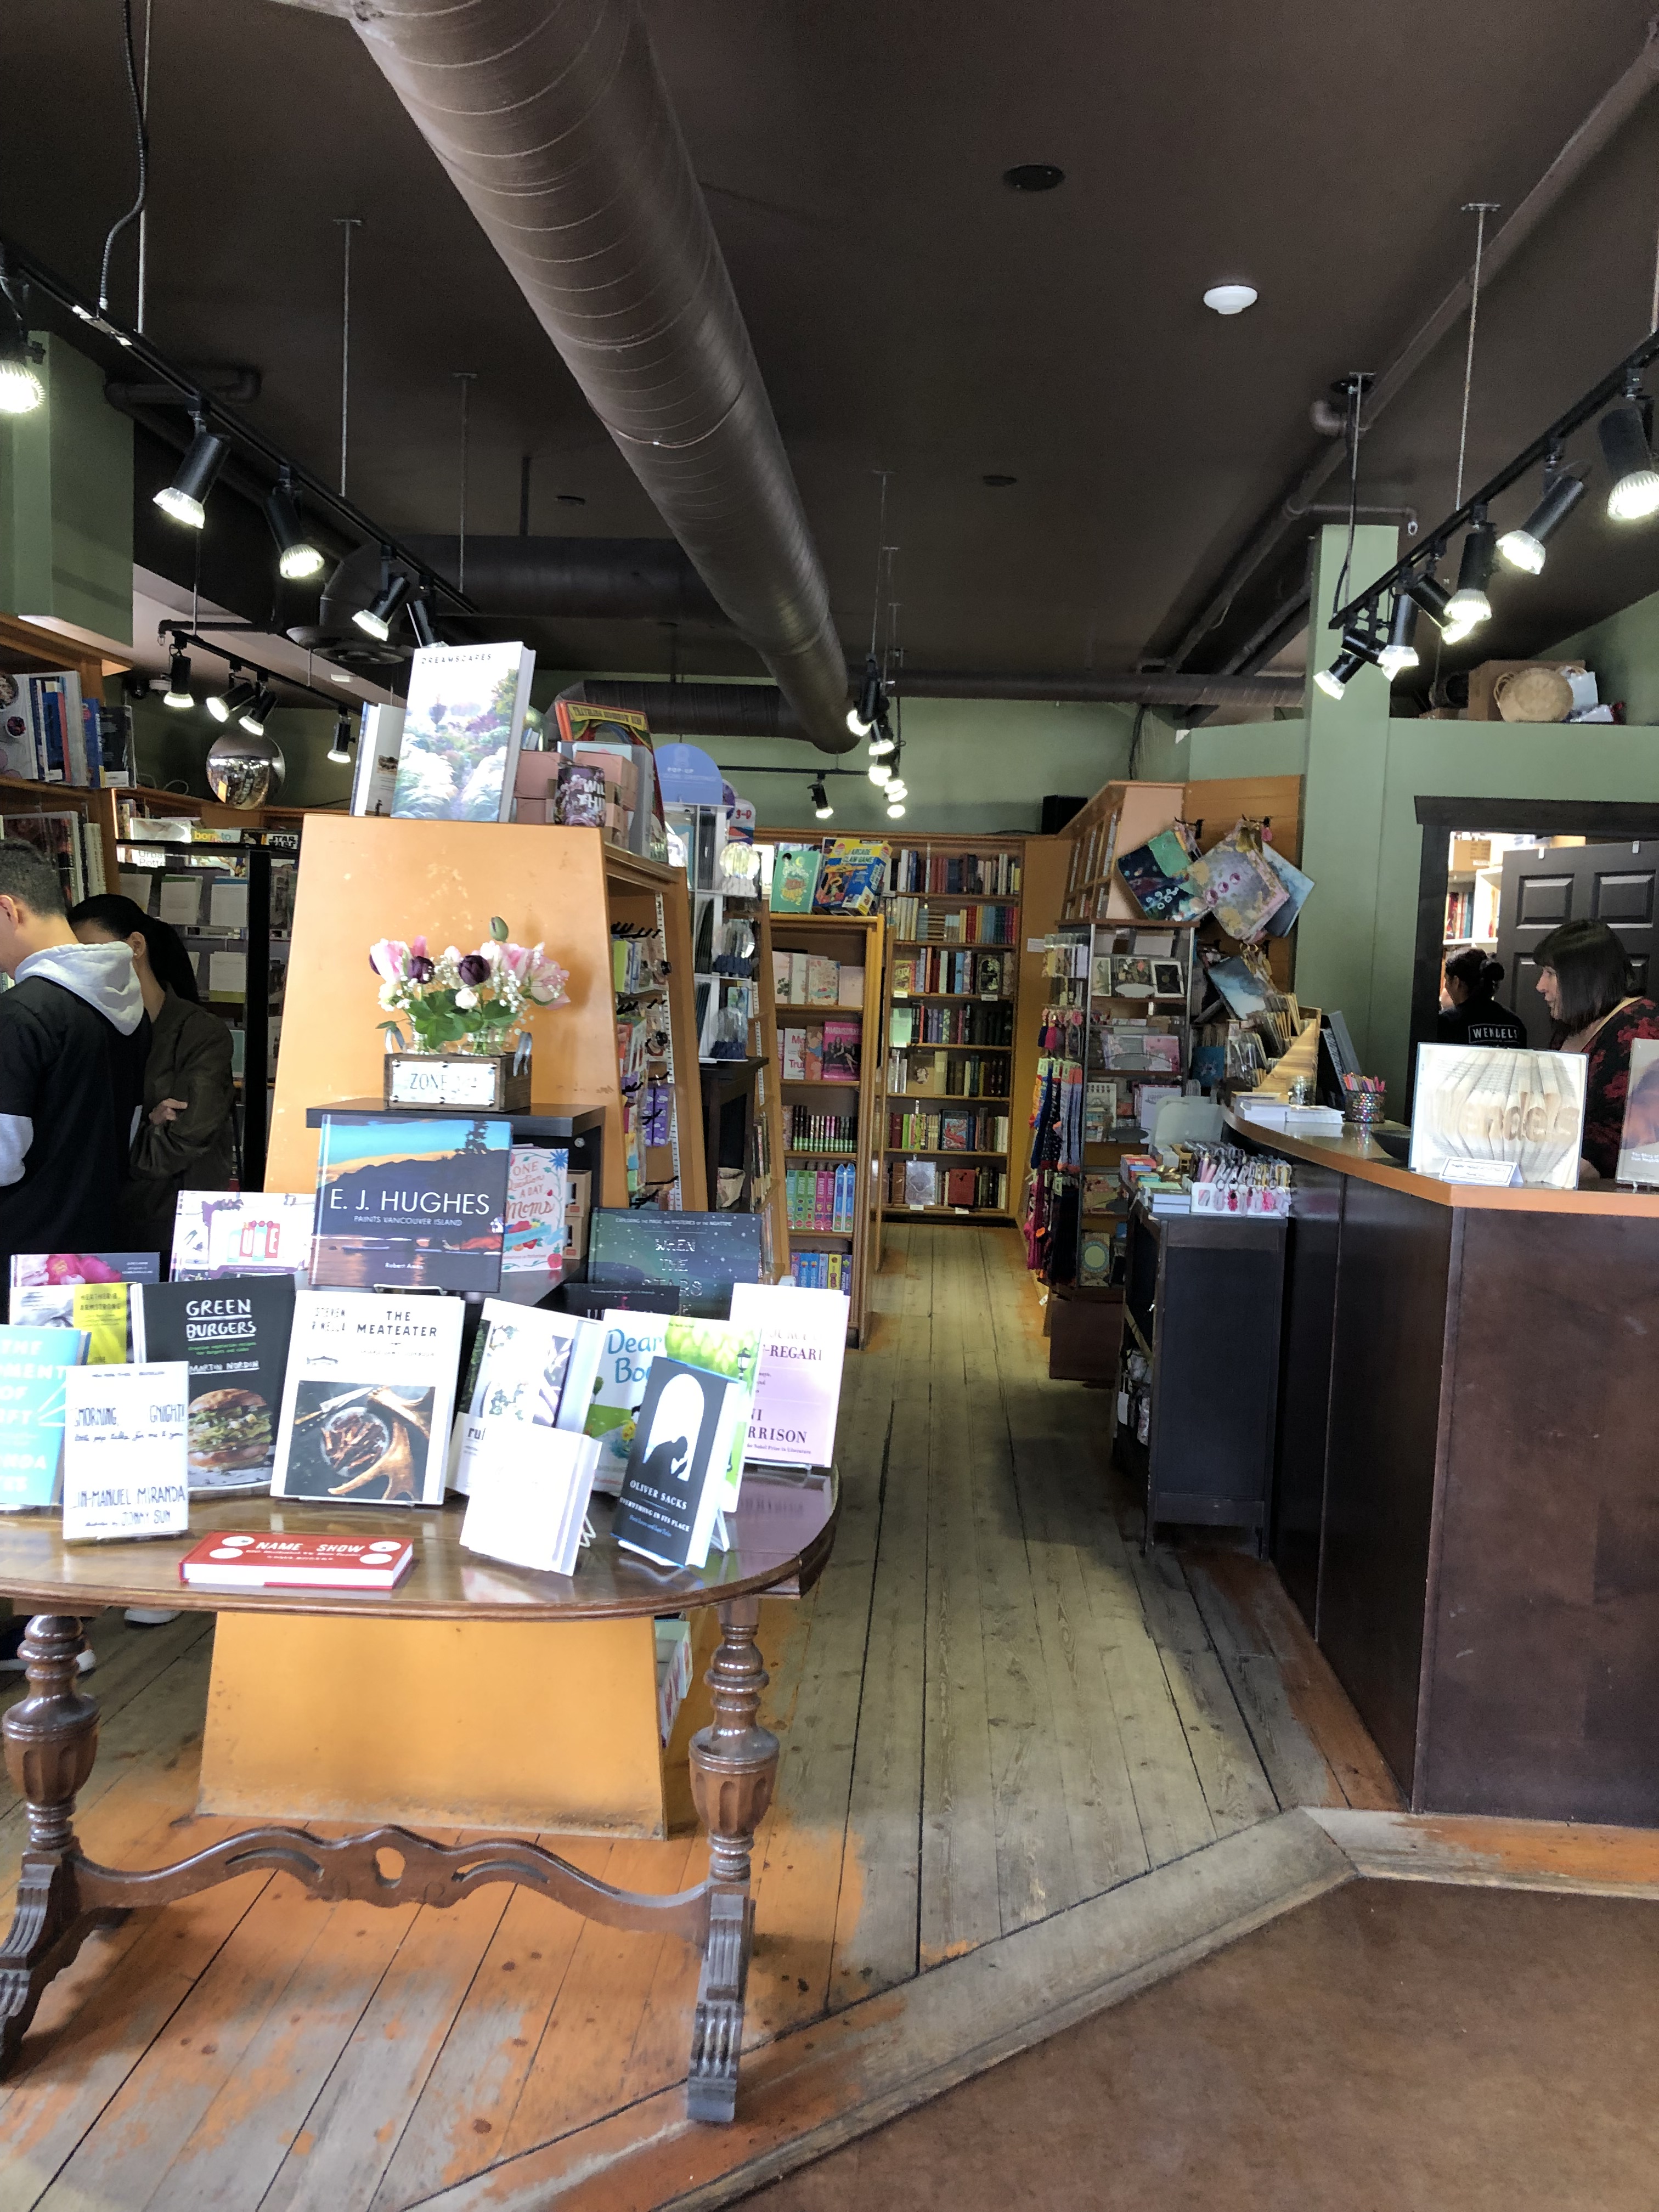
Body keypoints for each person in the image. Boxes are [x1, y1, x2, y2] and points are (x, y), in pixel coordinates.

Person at [0, 843, 150, 1677]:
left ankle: (30, 1635)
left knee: (23, 1448)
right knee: (75, 1439)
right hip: (98, 1252)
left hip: (22, 1257)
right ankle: (64, 1624)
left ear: (8, 909)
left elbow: (3, 1154)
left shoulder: (26, 1013)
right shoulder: (123, 1006)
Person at [70, 894, 236, 1265]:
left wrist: (117, 1146)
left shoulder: (199, 1032)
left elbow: (185, 1136)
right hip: (97, 1225)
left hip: (173, 1230)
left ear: (136, 946)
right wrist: (148, 1125)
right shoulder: (85, 1028)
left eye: (93, 950)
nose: (85, 965)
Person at [1534, 917, 1659, 1181]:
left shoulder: (1640, 1027)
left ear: (1584, 977)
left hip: (1609, 1197)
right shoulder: (1574, 1025)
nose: (1540, 986)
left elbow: (1615, 1141)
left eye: (1550, 974)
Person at [1436, 948, 1528, 1048]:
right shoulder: (1514, 1023)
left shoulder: (1446, 1023)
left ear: (1456, 982)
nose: (1446, 986)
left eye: (1447, 980)